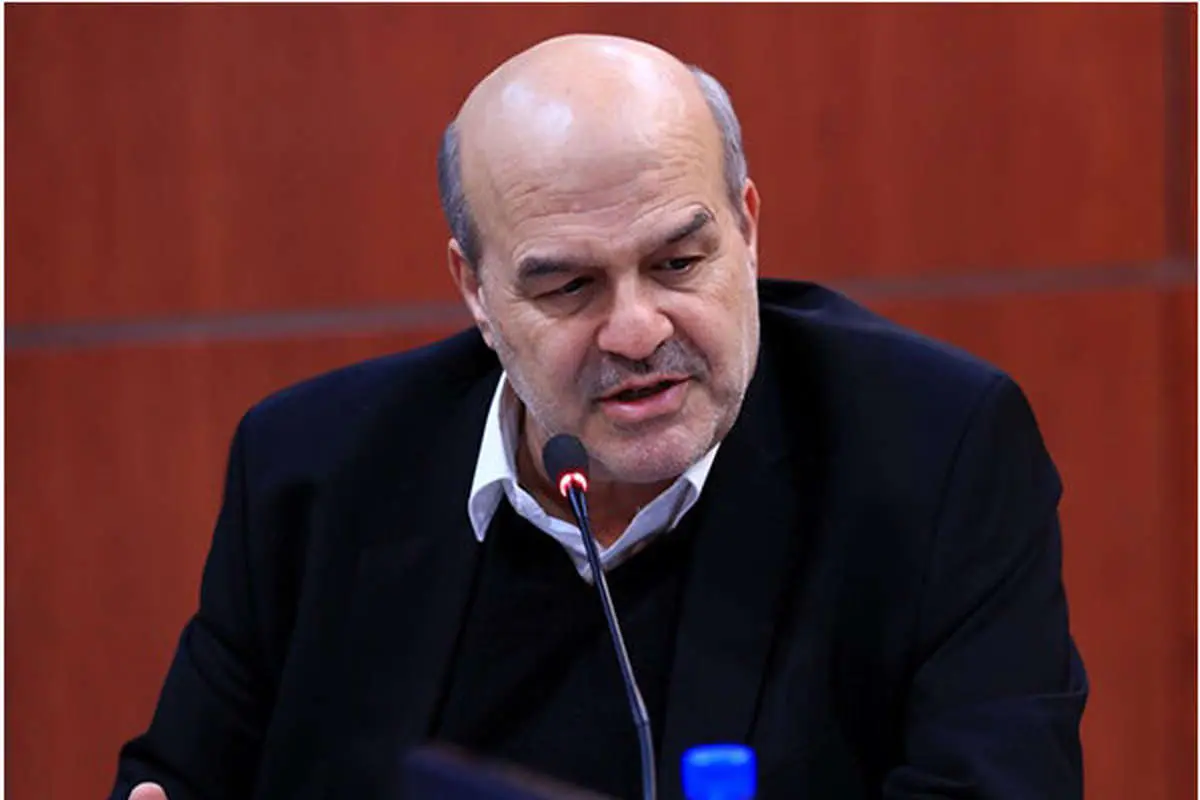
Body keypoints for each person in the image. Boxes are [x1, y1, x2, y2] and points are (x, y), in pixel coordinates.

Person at [112, 33, 1087, 800]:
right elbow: (181, 779)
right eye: (569, 286)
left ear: (747, 228)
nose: (636, 330)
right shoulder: (314, 472)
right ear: (476, 289)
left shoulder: (934, 452)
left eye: (678, 263)